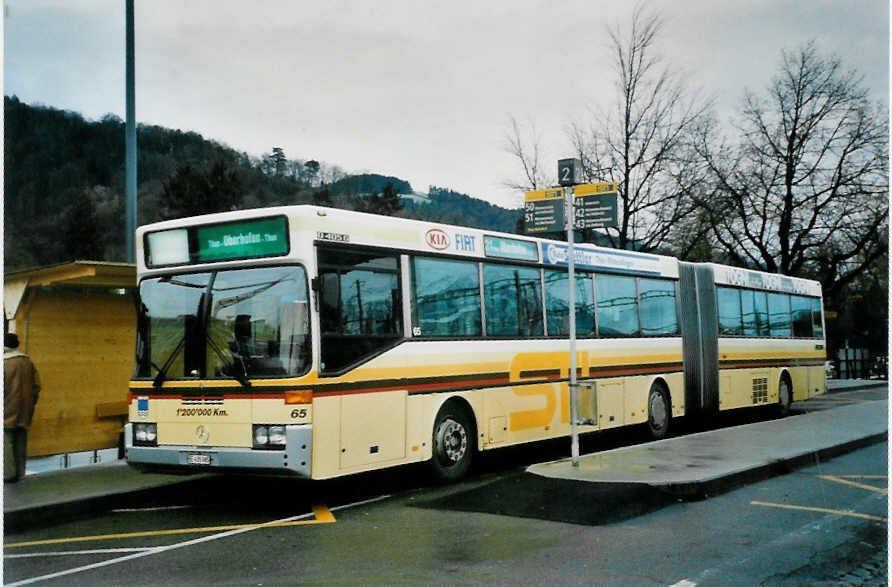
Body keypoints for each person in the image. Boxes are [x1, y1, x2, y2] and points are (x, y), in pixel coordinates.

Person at [4, 333, 41, 482]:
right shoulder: (28, 362)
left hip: (6, 410)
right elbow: (37, 386)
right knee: (21, 441)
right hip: (25, 410)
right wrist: (30, 404)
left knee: (6, 443)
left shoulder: (4, 363)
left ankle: (8, 475)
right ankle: (20, 472)